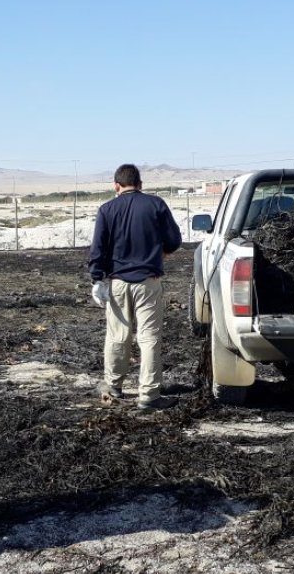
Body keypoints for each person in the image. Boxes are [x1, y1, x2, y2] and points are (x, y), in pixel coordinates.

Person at [88, 164, 183, 410]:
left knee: (117, 336)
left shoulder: (107, 209)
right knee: (149, 338)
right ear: (140, 184)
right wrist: (163, 251)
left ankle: (113, 386)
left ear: (116, 186)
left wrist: (97, 279)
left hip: (117, 283)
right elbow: (174, 239)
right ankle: (149, 395)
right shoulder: (156, 204)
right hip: (148, 282)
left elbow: (98, 248)